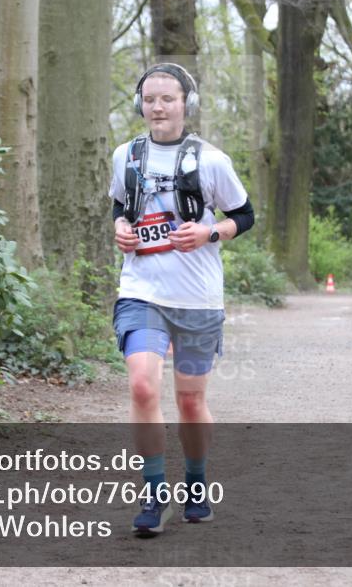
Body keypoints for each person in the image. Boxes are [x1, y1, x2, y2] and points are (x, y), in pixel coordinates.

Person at [109, 63, 254, 536]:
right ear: (140, 104)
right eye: (149, 99)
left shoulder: (211, 160)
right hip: (141, 291)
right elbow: (118, 206)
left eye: (167, 99)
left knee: (191, 402)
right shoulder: (125, 157)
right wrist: (121, 228)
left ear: (185, 105)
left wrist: (211, 230)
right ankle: (154, 494)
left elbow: (244, 215)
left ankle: (195, 483)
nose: (157, 107)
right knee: (143, 387)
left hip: (196, 298)